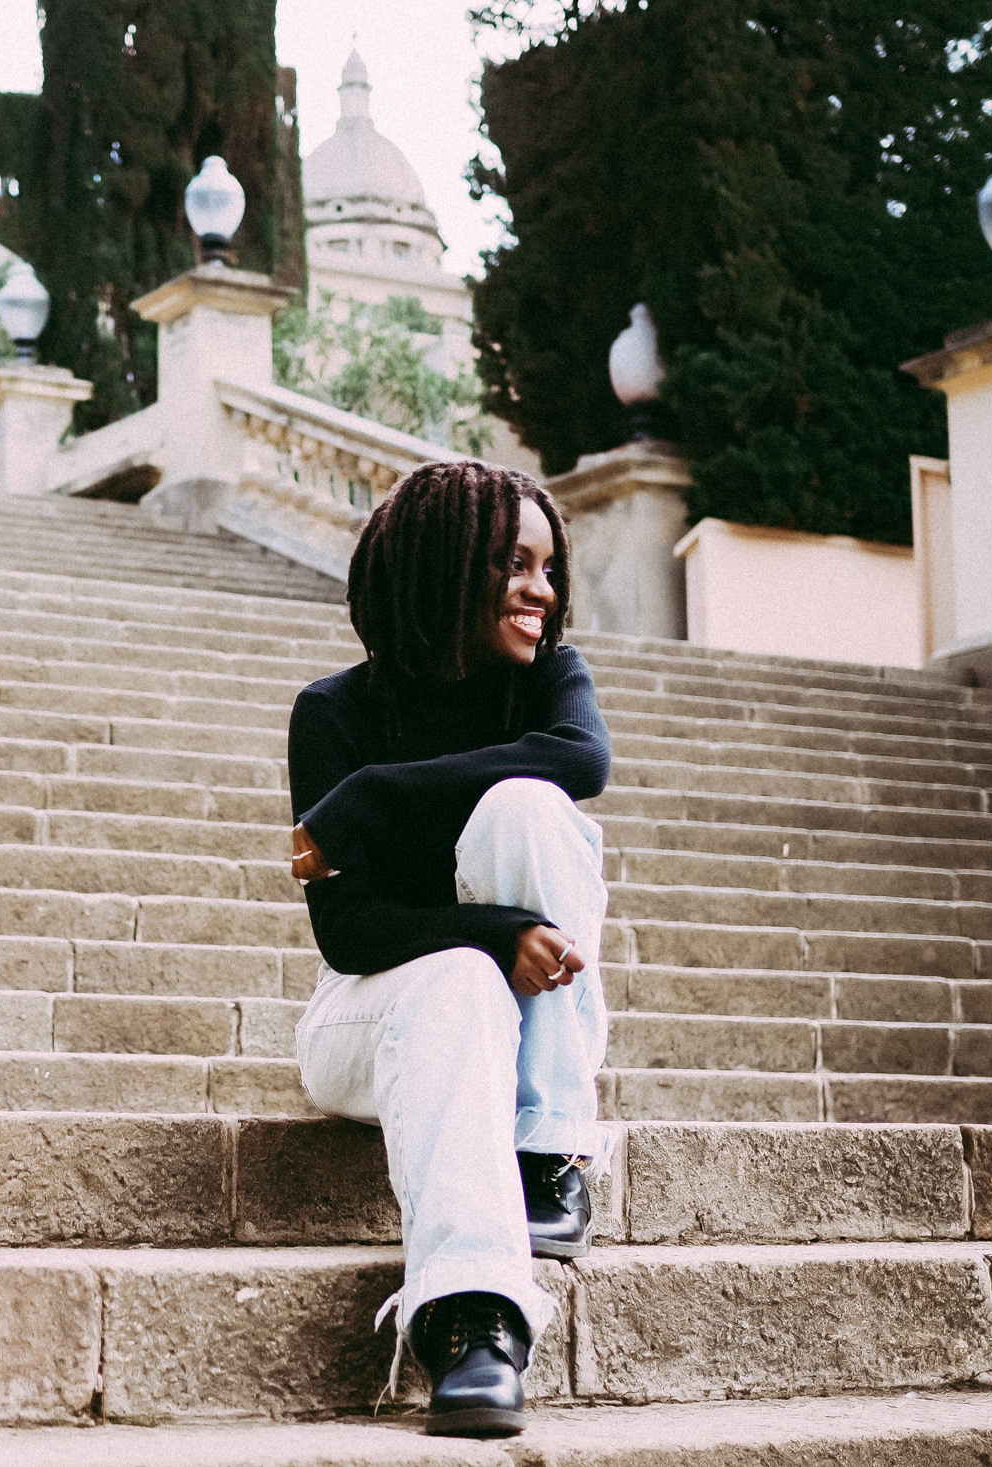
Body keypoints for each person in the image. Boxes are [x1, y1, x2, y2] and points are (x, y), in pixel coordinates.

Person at [288, 459, 611, 1439]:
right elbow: (348, 930)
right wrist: (489, 932)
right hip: (368, 1015)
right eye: (512, 563)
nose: (540, 591)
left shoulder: (548, 681)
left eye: (548, 568)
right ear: (443, 562)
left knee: (530, 807)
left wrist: (374, 796)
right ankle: (470, 1319)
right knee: (461, 980)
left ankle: (546, 1146)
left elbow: (583, 759)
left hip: (506, 1032)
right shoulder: (335, 714)